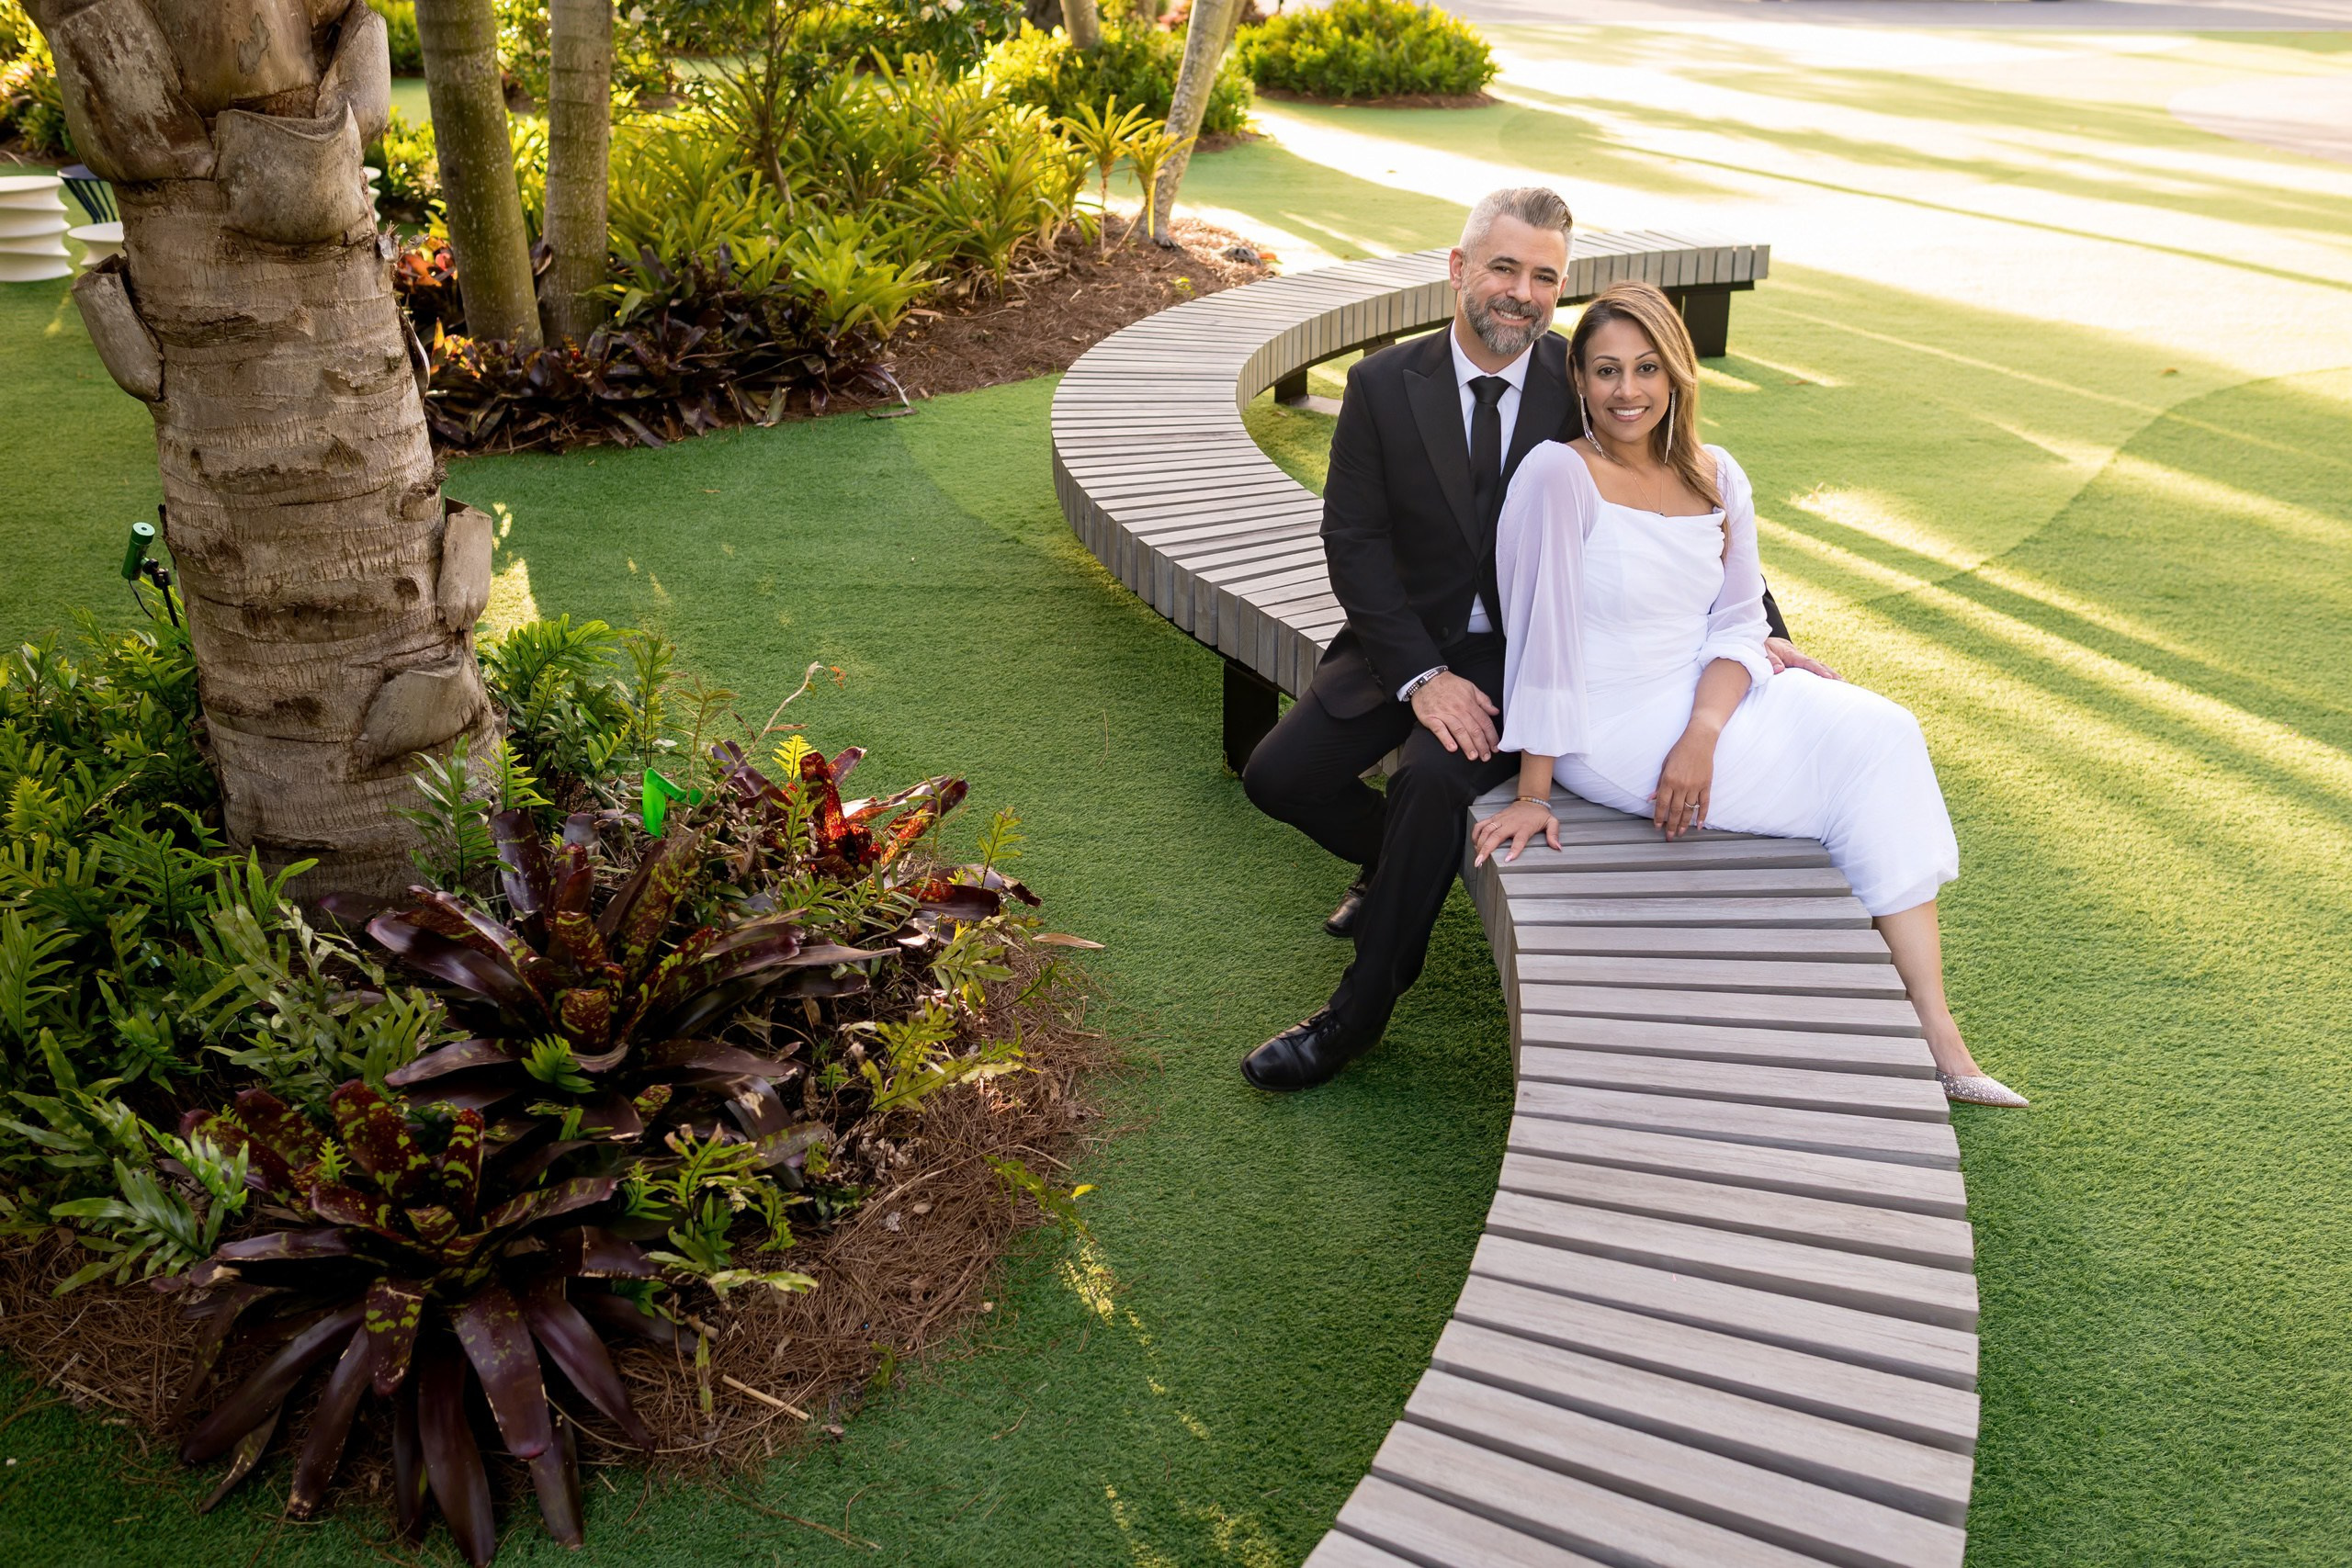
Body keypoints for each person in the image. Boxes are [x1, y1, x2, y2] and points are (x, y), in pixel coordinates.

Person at [1237, 186, 1826, 1094]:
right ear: (1459, 268)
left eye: (1544, 277)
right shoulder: (1382, 386)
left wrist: (1762, 631)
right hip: (1406, 646)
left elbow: (1682, 497)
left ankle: (1356, 1014)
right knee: (1277, 776)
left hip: (1541, 651)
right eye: (1504, 267)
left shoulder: (1584, 380)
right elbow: (1352, 544)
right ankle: (1397, 870)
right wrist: (1421, 676)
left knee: (1434, 780)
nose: (1520, 291)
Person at [1469, 280, 2024, 1107]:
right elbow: (1541, 637)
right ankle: (1915, 1028)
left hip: (1708, 692)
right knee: (1851, 785)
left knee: (1883, 730)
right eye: (1607, 371)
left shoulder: (1718, 473)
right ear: (1578, 382)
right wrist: (1535, 788)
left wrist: (1703, 731)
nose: (1628, 391)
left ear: (1678, 374)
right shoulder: (1558, 474)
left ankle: (1939, 1032)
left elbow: (1737, 622)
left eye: (1648, 368)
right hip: (1609, 721)